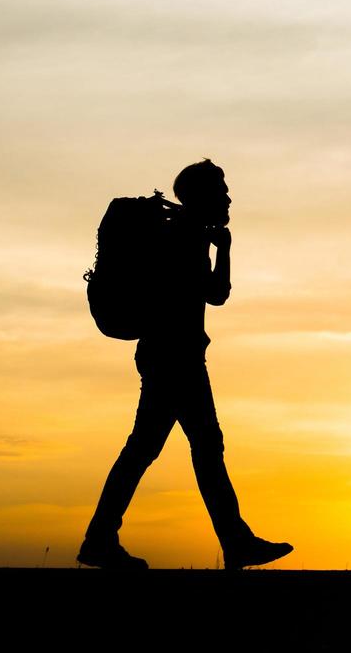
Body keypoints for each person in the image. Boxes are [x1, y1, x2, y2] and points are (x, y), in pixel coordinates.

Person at [78, 159, 293, 570]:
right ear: (202, 196)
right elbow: (216, 294)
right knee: (192, 448)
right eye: (222, 190)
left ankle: (103, 538)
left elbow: (212, 295)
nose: (228, 197)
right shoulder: (183, 236)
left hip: (173, 355)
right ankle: (233, 541)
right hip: (175, 358)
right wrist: (224, 251)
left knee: (158, 449)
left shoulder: (186, 234)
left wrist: (221, 249)